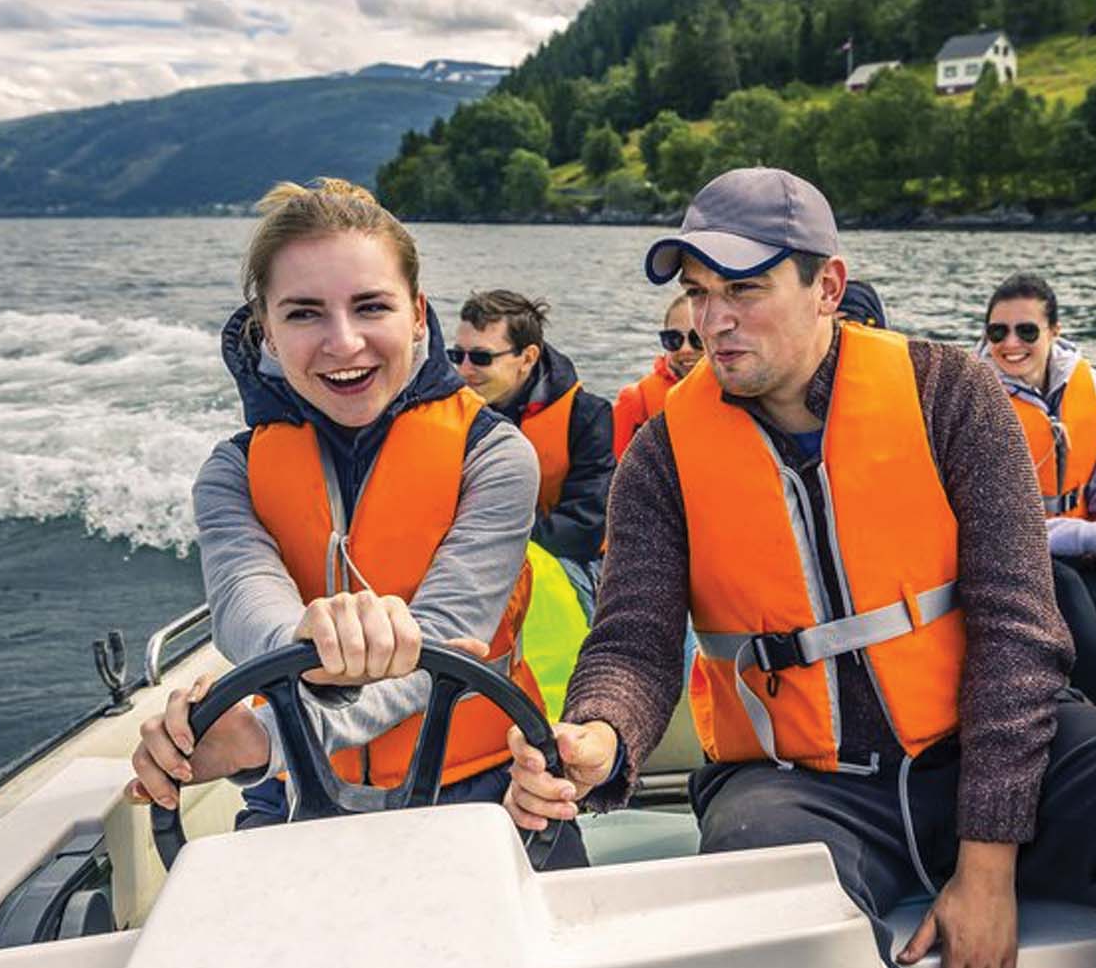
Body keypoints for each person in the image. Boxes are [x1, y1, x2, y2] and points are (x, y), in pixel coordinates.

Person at [503, 167, 1096, 968]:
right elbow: (634, 643)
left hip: (981, 751)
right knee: (762, 880)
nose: (713, 321)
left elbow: (1019, 633)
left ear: (827, 286)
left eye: (744, 291)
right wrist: (601, 737)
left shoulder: (952, 393)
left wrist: (988, 867)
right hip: (792, 784)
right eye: (698, 293)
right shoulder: (662, 455)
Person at [125, 177, 583, 867]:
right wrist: (302, 643)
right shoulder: (230, 476)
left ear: (418, 314)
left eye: (371, 307)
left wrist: (261, 740)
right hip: (292, 799)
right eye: (304, 314)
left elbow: (442, 650)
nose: (344, 343)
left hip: (492, 791)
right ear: (266, 330)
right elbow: (250, 613)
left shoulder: (494, 457)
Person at [980, 273, 1096, 715]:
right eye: (996, 332)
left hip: (1078, 545)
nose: (1010, 344)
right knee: (1070, 591)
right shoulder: (975, 402)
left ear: (1054, 332)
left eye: (1027, 331)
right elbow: (998, 527)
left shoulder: (1095, 389)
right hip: (1007, 555)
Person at [452, 290, 614, 613]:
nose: (465, 370)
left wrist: (497, 539)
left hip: (562, 561)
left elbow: (585, 527)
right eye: (457, 356)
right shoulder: (443, 413)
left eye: (481, 358)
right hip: (464, 558)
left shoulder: (586, 415)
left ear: (527, 358)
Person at [611, 293, 702, 460]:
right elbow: (612, 475)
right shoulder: (636, 400)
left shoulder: (743, 392)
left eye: (697, 339)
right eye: (673, 339)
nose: (685, 349)